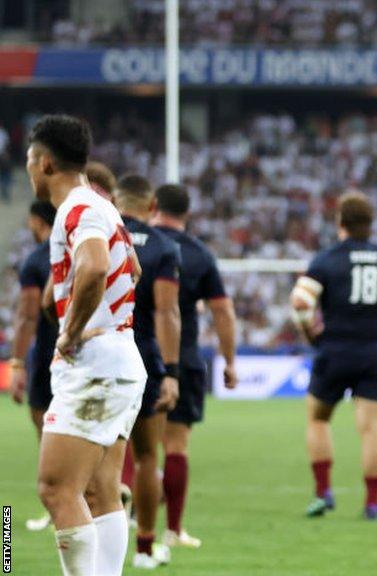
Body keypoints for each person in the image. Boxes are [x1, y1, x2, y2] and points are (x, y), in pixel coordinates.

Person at [28, 114, 147, 576]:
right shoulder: (101, 206)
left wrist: (72, 331)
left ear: (46, 163)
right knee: (100, 490)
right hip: (119, 360)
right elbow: (131, 268)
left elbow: (96, 268)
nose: (29, 172)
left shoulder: (78, 209)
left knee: (56, 489)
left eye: (30, 162)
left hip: (96, 366)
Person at [289, 190, 377, 519]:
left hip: (334, 349)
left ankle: (323, 492)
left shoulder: (327, 259)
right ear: (370, 224)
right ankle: (373, 503)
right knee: (372, 428)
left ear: (340, 222)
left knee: (318, 419)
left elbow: (301, 302)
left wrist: (310, 333)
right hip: (375, 352)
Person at [152, 183, 238, 549]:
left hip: (135, 353)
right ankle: (173, 530)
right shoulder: (200, 254)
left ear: (154, 206)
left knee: (127, 445)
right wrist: (230, 362)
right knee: (176, 446)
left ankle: (120, 515)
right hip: (183, 358)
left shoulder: (137, 241)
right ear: (187, 214)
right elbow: (222, 310)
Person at [113, 174, 182, 568]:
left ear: (116, 202)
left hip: (101, 357)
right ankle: (143, 550)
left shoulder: (100, 233)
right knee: (145, 459)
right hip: (142, 361)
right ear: (152, 205)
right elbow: (167, 312)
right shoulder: (162, 246)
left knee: (101, 459)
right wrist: (171, 371)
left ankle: (96, 550)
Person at [10, 200, 59, 531]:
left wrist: (16, 362)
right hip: (85, 352)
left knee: (45, 428)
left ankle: (58, 504)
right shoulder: (79, 249)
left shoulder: (37, 260)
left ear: (36, 220)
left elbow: (28, 315)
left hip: (47, 356)